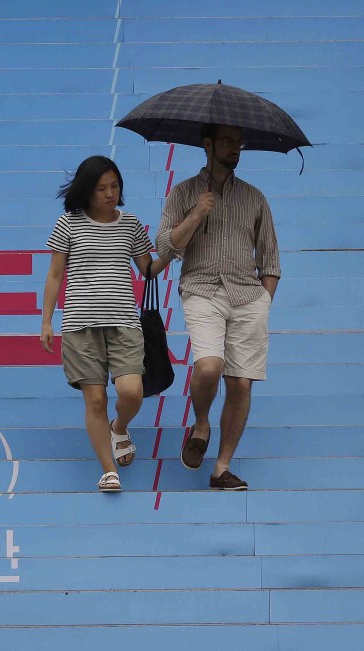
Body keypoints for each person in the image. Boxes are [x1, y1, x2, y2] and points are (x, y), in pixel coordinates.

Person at [157, 124, 280, 491]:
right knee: (209, 367)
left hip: (248, 297)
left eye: (238, 141)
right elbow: (165, 248)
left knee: (241, 384)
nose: (235, 148)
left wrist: (263, 303)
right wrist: (196, 214)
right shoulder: (183, 193)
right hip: (202, 290)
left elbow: (271, 261)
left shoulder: (255, 198)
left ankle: (221, 469)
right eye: (226, 140)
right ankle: (201, 423)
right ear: (207, 144)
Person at [40, 155, 170, 492]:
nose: (110, 193)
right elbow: (55, 275)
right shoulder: (68, 223)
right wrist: (46, 321)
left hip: (125, 323)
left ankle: (120, 427)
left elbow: (149, 270)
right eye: (101, 188)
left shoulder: (130, 224)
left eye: (114, 186)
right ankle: (108, 470)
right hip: (80, 325)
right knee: (94, 399)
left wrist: (173, 250)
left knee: (131, 392)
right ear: (87, 190)